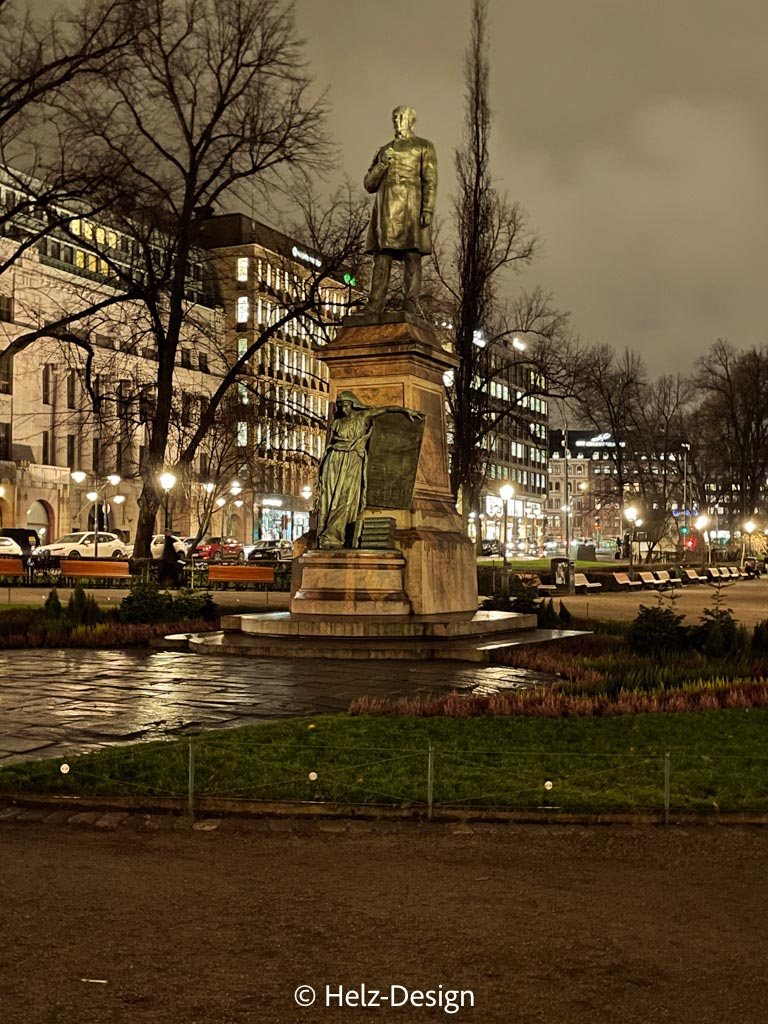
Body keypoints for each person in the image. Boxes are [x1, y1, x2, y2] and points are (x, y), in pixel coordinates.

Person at [316, 391, 424, 550]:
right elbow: (328, 446)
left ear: (353, 405)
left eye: (346, 406)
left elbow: (385, 410)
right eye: (341, 406)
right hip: (334, 461)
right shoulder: (336, 424)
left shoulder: (363, 417)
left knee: (346, 498)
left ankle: (333, 535)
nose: (344, 409)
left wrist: (405, 410)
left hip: (352, 460)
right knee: (331, 499)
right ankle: (328, 534)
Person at [362, 105, 437, 317]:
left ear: (411, 121)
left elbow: (430, 180)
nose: (397, 121)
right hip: (385, 209)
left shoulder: (424, 146)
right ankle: (374, 304)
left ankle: (410, 304)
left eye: (401, 118)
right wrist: (382, 164)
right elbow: (369, 184)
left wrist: (428, 209)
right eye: (394, 118)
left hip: (411, 208)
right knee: (382, 258)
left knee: (412, 256)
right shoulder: (384, 150)